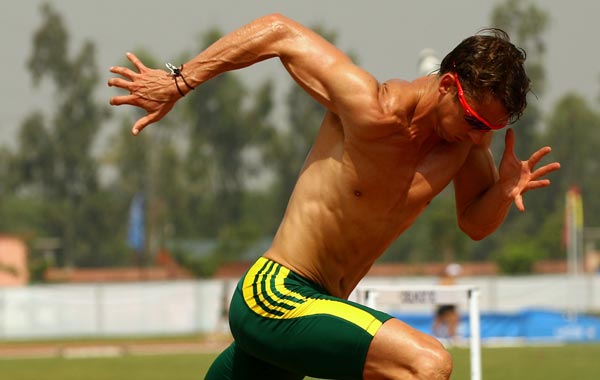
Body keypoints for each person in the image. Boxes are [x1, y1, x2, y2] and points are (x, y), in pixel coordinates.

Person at [108, 13, 560, 380]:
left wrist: (501, 192)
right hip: (276, 292)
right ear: (446, 86)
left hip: (320, 311)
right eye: (474, 120)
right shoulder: (370, 107)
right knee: (428, 363)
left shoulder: (464, 148)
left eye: (492, 129)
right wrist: (179, 80)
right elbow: (279, 32)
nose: (481, 136)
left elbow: (474, 225)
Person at [432, 263, 462, 343]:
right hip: (445, 305)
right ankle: (452, 338)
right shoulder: (445, 282)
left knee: (450, 321)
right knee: (449, 321)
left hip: (448, 304)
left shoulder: (449, 281)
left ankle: (452, 338)